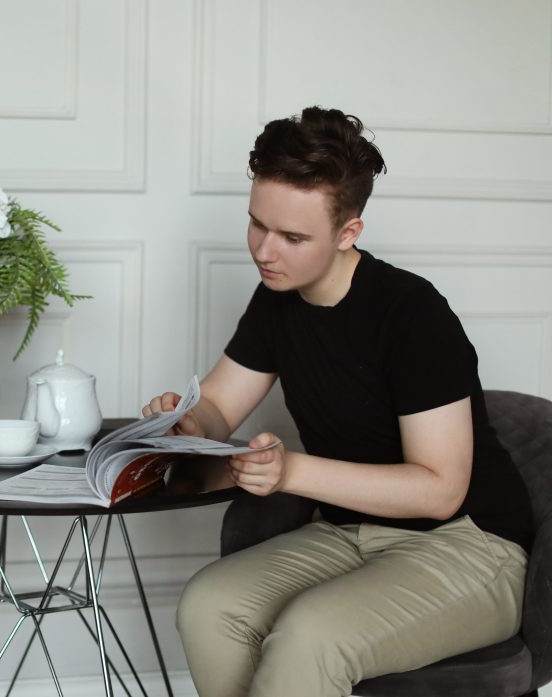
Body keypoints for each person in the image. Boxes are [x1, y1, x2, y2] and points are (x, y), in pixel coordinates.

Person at [143, 107, 532, 697]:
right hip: (347, 533)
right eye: (257, 224)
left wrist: (290, 472)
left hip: (469, 544)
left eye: (293, 238)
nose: (265, 251)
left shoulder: (412, 314)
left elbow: (439, 491)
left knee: (310, 638)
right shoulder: (277, 299)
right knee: (208, 606)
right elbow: (218, 407)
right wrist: (184, 421)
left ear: (349, 233)